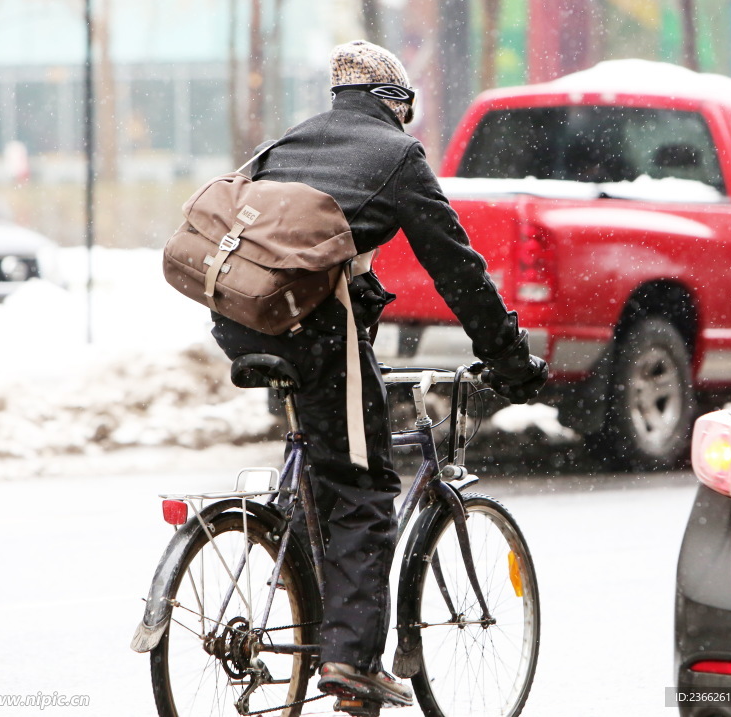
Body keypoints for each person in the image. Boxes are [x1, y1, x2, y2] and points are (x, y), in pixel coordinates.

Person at [210, 40, 547, 708]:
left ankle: (300, 571)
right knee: (365, 487)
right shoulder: (395, 158)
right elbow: (459, 269)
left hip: (244, 320)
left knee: (325, 458)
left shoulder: (290, 144)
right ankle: (351, 661)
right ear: (396, 104)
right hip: (315, 332)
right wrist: (509, 359)